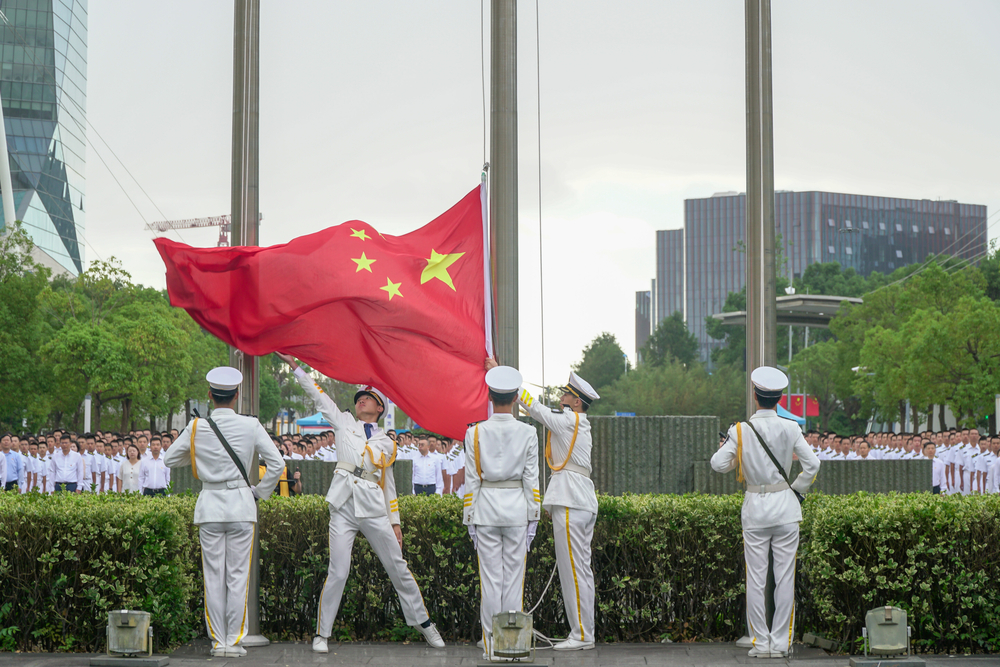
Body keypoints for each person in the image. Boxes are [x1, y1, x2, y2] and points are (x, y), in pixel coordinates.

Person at [275, 353, 444, 652]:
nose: (361, 400)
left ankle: (425, 624)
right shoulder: (343, 423)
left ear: (380, 408)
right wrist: (295, 366)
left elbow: (388, 486)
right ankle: (322, 633)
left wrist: (395, 523)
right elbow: (318, 396)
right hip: (343, 505)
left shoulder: (387, 442)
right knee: (338, 570)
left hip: (373, 508)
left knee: (398, 566)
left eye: (368, 398)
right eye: (360, 397)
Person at [165, 367, 284, 658]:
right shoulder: (251, 425)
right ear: (237, 396)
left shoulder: (196, 427)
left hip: (210, 506)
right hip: (242, 505)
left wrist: (198, 453)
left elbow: (170, 459)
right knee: (237, 576)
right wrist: (259, 491)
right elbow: (277, 464)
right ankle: (234, 639)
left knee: (213, 577)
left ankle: (218, 642)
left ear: (209, 395)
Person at [711, 366, 821, 659]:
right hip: (786, 508)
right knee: (785, 578)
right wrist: (797, 491)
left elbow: (717, 465)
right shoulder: (791, 427)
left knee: (756, 579)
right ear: (779, 397)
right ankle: (782, 643)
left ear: (755, 395)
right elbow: (813, 465)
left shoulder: (740, 430)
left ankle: (761, 643)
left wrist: (732, 450)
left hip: (756, 510)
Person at [505, 361, 600, 651]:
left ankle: (582, 634)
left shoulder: (571, 419)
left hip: (571, 498)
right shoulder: (574, 422)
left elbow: (537, 411)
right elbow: (537, 413)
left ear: (576, 402)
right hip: (577, 498)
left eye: (566, 395)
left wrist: (508, 383)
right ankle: (584, 631)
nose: (561, 397)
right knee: (579, 569)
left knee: (574, 570)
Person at [463, 365, 540, 658]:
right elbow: (531, 479)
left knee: (490, 581)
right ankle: (512, 645)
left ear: (490, 396)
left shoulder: (475, 432)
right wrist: (533, 515)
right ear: (516, 396)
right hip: (517, 510)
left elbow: (471, 479)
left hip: (485, 510)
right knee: (513, 580)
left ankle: (491, 645)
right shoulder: (528, 432)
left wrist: (469, 517)